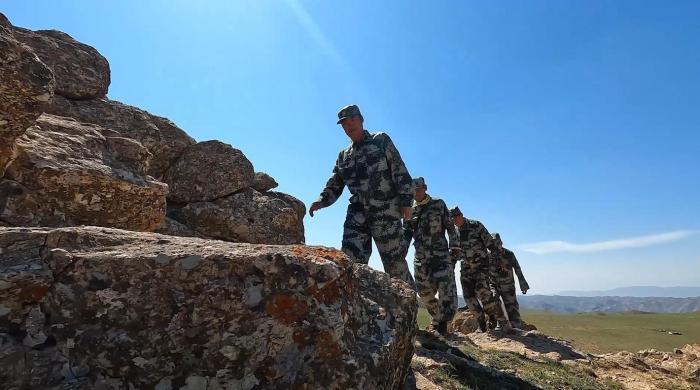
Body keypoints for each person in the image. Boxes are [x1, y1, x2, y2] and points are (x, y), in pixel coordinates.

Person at [309, 104, 414, 286]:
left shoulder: (380, 140)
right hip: (357, 215)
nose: (349, 125)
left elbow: (399, 169)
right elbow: (335, 182)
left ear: (361, 119)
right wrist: (321, 200)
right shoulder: (344, 155)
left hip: (386, 212)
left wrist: (406, 201)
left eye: (353, 119)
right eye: (344, 123)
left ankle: (407, 308)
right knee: (350, 262)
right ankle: (357, 308)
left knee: (395, 266)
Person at [402, 177, 460, 335]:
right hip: (421, 259)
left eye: (418, 190)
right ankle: (438, 317)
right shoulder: (409, 210)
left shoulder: (438, 204)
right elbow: (406, 234)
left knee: (446, 292)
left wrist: (454, 246)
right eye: (412, 191)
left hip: (441, 256)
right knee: (424, 294)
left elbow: (450, 226)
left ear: (425, 188)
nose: (416, 193)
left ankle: (442, 325)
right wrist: (400, 253)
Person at [450, 206, 511, 332]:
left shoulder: (476, 225)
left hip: (481, 267)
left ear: (460, 215)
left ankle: (492, 315)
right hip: (466, 268)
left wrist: (500, 262)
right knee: (468, 298)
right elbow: (455, 252)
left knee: (483, 292)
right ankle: (482, 323)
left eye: (455, 217)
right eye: (451, 219)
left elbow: (491, 245)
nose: (454, 221)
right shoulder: (454, 232)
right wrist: (451, 267)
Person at [490, 233, 530, 328]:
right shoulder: (487, 256)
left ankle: (516, 327)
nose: (496, 246)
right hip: (493, 284)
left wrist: (523, 284)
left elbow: (517, 269)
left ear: (501, 243)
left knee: (512, 308)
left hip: (508, 286)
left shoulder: (509, 254)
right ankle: (500, 324)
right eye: (494, 244)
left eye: (498, 243)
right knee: (493, 300)